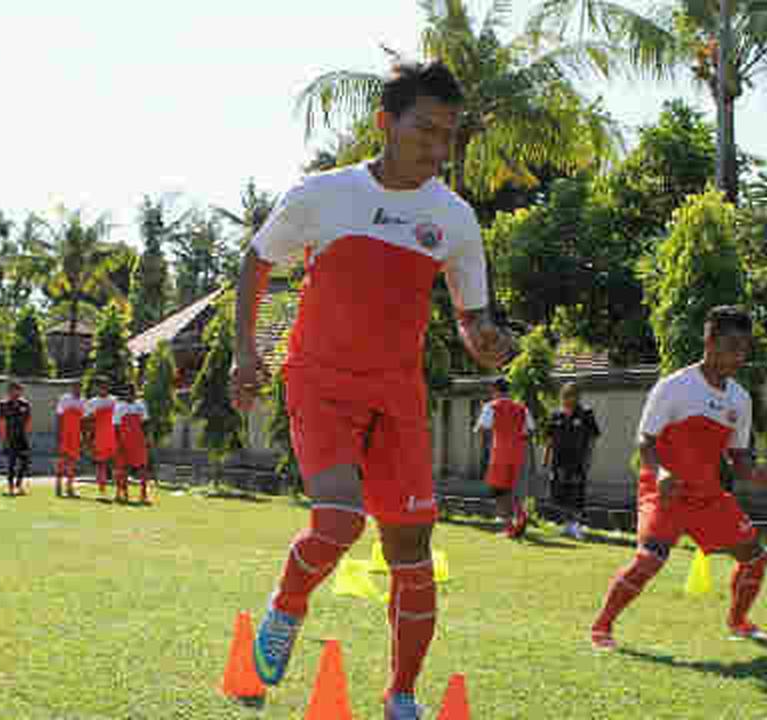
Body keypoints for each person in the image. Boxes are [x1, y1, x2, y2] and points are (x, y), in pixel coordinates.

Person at [230, 60, 515, 719]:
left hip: (398, 395)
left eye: (448, 136)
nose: (437, 149)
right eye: (425, 131)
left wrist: (484, 339)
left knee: (411, 549)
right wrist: (247, 351)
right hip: (321, 380)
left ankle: (403, 695)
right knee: (338, 519)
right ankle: (287, 605)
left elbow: (473, 316)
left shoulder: (455, 217)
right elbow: (256, 259)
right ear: (385, 123)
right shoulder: (323, 195)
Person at [590, 306, 767, 650]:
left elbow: (737, 454)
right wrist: (660, 472)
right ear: (709, 340)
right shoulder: (674, 387)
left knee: (756, 557)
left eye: (745, 348)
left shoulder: (739, 398)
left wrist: (752, 470)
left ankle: (738, 621)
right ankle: (602, 627)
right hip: (664, 491)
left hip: (707, 494)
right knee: (650, 559)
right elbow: (645, 440)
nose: (739, 355)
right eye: (732, 346)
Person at [473, 378, 535, 538]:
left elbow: (480, 429)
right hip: (518, 455)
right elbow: (530, 431)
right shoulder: (522, 408)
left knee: (498, 493)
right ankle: (520, 515)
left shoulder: (491, 406)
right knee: (511, 490)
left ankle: (510, 527)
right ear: (509, 390)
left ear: (494, 390)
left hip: (499, 454)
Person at [543, 382, 601, 540]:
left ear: (577, 396)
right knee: (559, 493)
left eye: (572, 394)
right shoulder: (556, 415)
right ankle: (567, 524)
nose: (568, 398)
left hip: (577, 461)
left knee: (576, 493)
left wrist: (589, 458)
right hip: (558, 461)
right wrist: (546, 457)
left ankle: (576, 525)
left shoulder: (586, 413)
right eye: (565, 395)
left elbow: (592, 439)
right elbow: (549, 438)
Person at [113, 384, 150, 504]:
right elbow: (116, 426)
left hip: (138, 441)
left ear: (135, 393)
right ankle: (121, 493)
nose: (129, 395)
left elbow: (145, 423)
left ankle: (143, 494)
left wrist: (147, 439)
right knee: (122, 468)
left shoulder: (141, 405)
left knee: (142, 468)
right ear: (124, 394)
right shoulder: (119, 407)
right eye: (127, 393)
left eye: (131, 393)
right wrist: (118, 442)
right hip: (123, 441)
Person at [83, 380, 117, 496]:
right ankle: (102, 490)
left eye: (105, 386)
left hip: (113, 436)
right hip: (99, 436)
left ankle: (119, 490)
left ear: (108, 387)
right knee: (101, 463)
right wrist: (88, 438)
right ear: (97, 388)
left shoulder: (114, 400)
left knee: (115, 463)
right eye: (101, 387)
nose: (103, 389)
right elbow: (87, 421)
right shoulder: (92, 402)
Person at [0, 381, 33, 496]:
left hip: (22, 437)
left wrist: (27, 436)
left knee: (25, 461)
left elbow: (28, 421)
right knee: (11, 463)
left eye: (18, 390)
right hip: (10, 436)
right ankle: (10, 486)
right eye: (12, 390)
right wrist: (4, 439)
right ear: (9, 391)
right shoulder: (4, 404)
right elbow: (3, 422)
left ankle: (19, 484)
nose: (15, 392)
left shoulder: (25, 404)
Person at [54, 381, 85, 498]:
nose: (77, 389)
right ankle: (58, 486)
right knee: (62, 460)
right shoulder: (65, 399)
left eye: (79, 387)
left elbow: (83, 420)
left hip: (76, 435)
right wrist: (59, 434)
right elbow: (58, 416)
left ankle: (70, 487)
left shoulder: (83, 401)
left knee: (72, 461)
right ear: (72, 388)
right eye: (75, 387)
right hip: (65, 434)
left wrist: (82, 436)